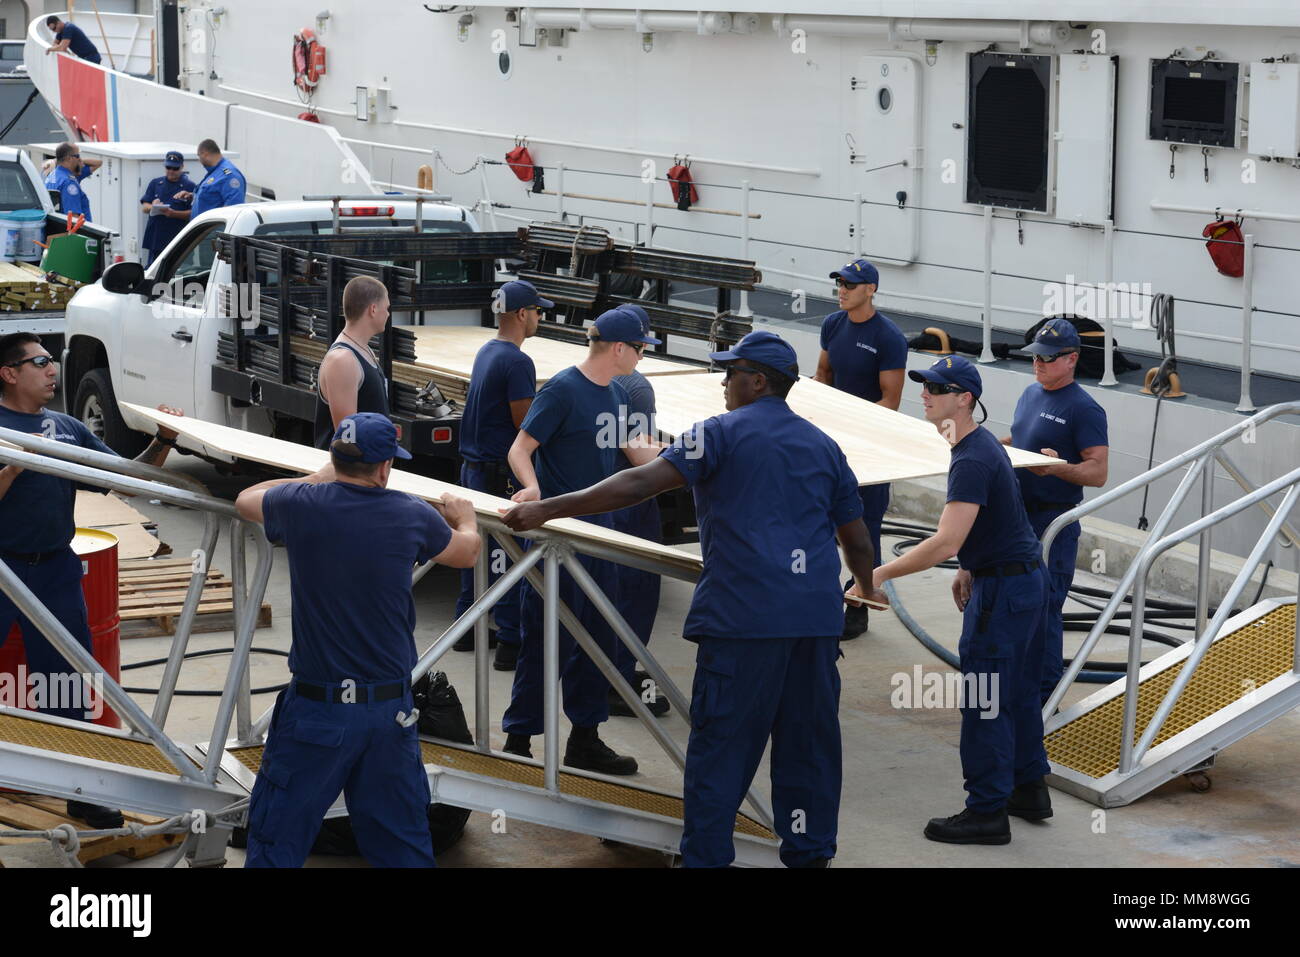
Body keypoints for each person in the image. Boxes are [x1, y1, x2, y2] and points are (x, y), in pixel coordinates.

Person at [504, 330, 882, 868]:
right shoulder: (823, 445)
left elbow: (637, 485)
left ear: (757, 382)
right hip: (814, 625)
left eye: (731, 374)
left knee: (722, 750)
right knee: (809, 749)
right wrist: (864, 590)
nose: (724, 383)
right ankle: (810, 856)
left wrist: (548, 509)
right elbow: (859, 538)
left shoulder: (718, 435)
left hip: (742, 624)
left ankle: (705, 859)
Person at [235, 413, 480, 867]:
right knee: (401, 841)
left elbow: (246, 499)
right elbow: (467, 553)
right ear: (385, 467)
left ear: (334, 457)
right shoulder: (411, 513)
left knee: (279, 838)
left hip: (318, 710)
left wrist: (317, 476)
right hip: (389, 712)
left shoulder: (302, 503)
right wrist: (465, 519)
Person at [858, 355, 1052, 845]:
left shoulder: (970, 457)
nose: (923, 393)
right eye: (924, 384)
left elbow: (943, 540)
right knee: (1019, 692)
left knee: (985, 700)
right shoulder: (982, 446)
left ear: (965, 399)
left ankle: (986, 811)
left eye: (937, 388)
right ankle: (1028, 789)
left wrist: (872, 575)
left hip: (1004, 594)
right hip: (1023, 581)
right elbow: (998, 519)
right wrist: (971, 563)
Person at [0, 333, 181, 830]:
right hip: (2, 566)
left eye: (49, 361)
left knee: (67, 686)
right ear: (9, 373)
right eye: (39, 362)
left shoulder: (67, 426)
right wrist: (18, 461)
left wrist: (164, 441)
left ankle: (80, 792)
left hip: (56, 568)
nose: (51, 369)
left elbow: (124, 477)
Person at [499, 308, 662, 775]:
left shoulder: (616, 393)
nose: (642, 356)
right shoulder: (563, 390)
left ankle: (585, 739)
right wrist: (530, 487)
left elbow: (638, 452)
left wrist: (692, 454)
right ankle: (518, 742)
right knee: (544, 639)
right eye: (640, 348)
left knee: (599, 639)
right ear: (618, 347)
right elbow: (520, 447)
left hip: (602, 534)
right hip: (558, 537)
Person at [1005, 318, 1109, 705]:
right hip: (1018, 516)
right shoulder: (1031, 394)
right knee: (1015, 602)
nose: (1040, 365)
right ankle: (1020, 685)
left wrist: (1059, 468)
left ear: (1072, 359)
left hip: (1053, 522)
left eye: (1049, 359)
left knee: (1044, 609)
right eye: (1036, 358)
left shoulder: (1084, 409)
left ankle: (1044, 700)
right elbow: (1020, 437)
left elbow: (1098, 471)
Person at [451, 279, 549, 670]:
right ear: (522, 314)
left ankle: (465, 627)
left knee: (473, 546)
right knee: (506, 556)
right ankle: (509, 641)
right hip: (496, 473)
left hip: (473, 467)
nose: (540, 317)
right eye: (538, 311)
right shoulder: (518, 361)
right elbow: (524, 423)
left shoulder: (487, 350)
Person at [814, 258, 908, 640]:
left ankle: (859, 607)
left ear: (870, 290)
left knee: (863, 528)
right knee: (821, 521)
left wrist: (851, 424)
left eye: (850, 285)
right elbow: (823, 375)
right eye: (839, 283)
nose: (842, 290)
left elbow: (891, 400)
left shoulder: (888, 337)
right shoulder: (832, 324)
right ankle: (820, 597)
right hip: (834, 441)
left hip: (870, 447)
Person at [607, 304, 668, 717]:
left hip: (595, 498)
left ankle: (597, 670)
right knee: (636, 591)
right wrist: (681, 455)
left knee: (601, 592)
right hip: (630, 503)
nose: (643, 356)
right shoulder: (636, 387)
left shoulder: (581, 380)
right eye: (642, 348)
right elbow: (639, 454)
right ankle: (619, 678)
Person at [313, 276, 391, 449]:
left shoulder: (365, 351)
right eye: (386, 308)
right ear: (373, 309)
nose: (388, 314)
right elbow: (348, 440)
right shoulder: (343, 361)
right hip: (351, 474)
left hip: (367, 471)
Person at [139, 151, 196, 267]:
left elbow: (194, 213)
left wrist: (173, 214)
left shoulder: (189, 187)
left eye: (175, 168)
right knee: (153, 271)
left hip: (178, 238)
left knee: (177, 272)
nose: (171, 171)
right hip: (156, 237)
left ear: (182, 167)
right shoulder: (155, 183)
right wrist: (153, 206)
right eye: (168, 167)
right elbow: (144, 207)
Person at [175, 140, 246, 219]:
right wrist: (192, 196)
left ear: (204, 154)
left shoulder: (229, 176)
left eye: (199, 156)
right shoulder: (215, 172)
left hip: (213, 230)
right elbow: (212, 197)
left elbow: (233, 210)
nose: (199, 160)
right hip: (203, 228)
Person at [44, 143, 101, 222]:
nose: (79, 159)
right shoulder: (69, 182)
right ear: (69, 158)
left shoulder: (53, 174)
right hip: (73, 231)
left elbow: (99, 163)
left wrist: (78, 160)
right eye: (78, 156)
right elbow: (73, 218)